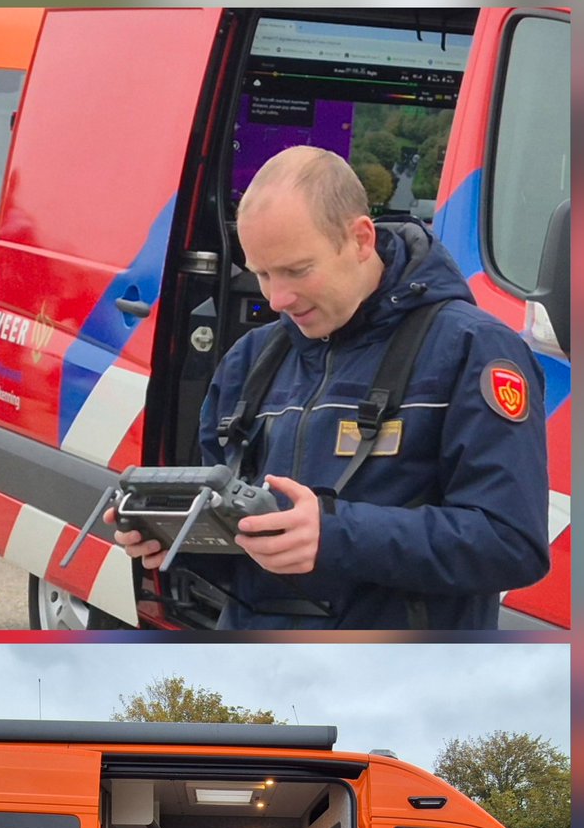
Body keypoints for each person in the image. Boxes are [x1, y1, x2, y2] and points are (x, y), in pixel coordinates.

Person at [109, 145, 549, 630]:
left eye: (297, 271)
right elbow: (240, 542)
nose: (277, 298)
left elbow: (511, 543)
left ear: (360, 239)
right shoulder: (250, 359)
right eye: (262, 274)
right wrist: (183, 539)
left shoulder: (474, 350)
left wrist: (335, 534)